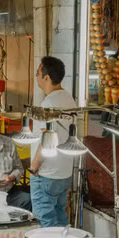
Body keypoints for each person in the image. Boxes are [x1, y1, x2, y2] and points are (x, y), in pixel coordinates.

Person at [30, 56, 78, 227]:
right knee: (61, 220)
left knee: (45, 224)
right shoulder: (69, 100)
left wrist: (34, 166)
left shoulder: (48, 104)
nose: (36, 77)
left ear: (47, 78)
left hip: (47, 174)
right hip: (64, 173)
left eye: (37, 73)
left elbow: (46, 140)